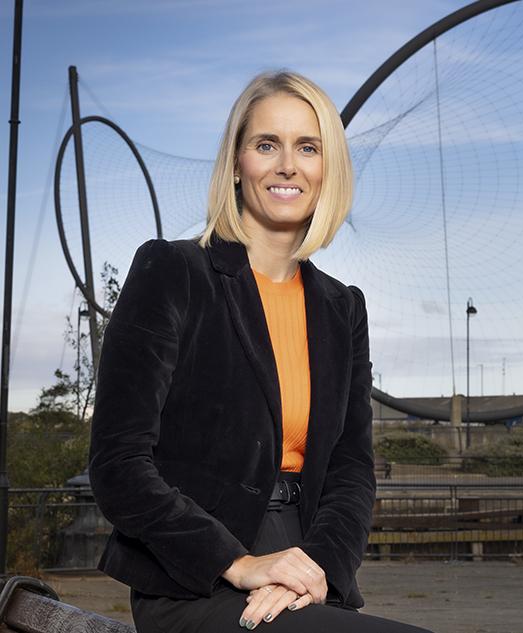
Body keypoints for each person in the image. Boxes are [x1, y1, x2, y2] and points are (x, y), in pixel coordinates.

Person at [89, 70, 432, 633]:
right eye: (266, 144)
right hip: (196, 575)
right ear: (237, 162)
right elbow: (118, 464)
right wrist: (241, 564)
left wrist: (316, 567)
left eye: (308, 147)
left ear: (329, 169)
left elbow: (351, 470)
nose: (287, 165)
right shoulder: (172, 271)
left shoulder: (342, 307)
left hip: (304, 567)